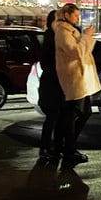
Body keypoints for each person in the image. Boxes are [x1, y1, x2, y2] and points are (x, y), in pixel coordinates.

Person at [53, 3, 101, 167]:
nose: (77, 18)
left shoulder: (68, 30)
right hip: (75, 78)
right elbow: (76, 52)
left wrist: (86, 37)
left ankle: (65, 147)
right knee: (75, 113)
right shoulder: (63, 31)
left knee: (81, 112)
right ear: (66, 15)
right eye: (75, 15)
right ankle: (68, 149)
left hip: (80, 78)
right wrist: (87, 36)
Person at [38, 10, 65, 163]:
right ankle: (47, 147)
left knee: (56, 117)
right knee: (53, 117)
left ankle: (51, 147)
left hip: (53, 82)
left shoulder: (52, 36)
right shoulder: (52, 37)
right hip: (53, 83)